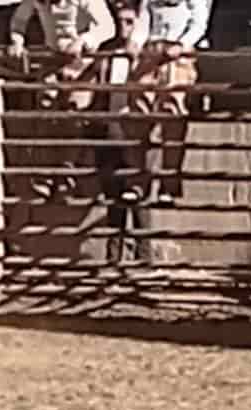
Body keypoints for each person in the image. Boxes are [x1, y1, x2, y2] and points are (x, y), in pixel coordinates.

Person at [8, 0, 116, 199]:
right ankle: (45, 176)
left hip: (84, 62)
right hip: (53, 58)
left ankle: (68, 175)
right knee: (46, 110)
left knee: (73, 113)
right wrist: (17, 41)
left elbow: (108, 26)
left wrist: (85, 40)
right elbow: (19, 19)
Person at [128, 0, 212, 203]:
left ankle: (169, 184)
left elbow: (199, 24)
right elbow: (144, 20)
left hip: (179, 55)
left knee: (173, 115)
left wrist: (183, 44)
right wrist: (136, 42)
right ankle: (137, 181)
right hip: (151, 53)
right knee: (138, 113)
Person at [92, 0, 150, 261]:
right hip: (109, 122)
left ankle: (144, 252)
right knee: (113, 190)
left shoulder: (146, 53)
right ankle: (114, 253)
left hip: (135, 126)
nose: (123, 28)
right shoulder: (106, 50)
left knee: (137, 191)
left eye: (129, 22)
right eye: (119, 21)